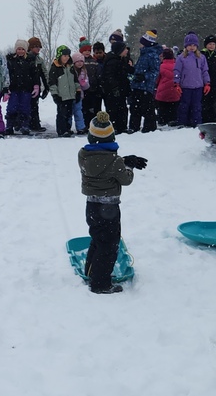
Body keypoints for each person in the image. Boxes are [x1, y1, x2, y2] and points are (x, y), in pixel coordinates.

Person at [78, 111, 147, 294]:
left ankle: (91, 271)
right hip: (108, 209)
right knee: (109, 245)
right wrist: (128, 166)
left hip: (92, 207)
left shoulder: (83, 155)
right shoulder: (114, 161)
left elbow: (101, 164)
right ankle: (100, 284)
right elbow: (126, 179)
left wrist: (122, 160)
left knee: (98, 239)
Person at [173, 32, 210, 128]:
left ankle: (196, 123)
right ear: (186, 46)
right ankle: (182, 122)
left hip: (198, 86)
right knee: (184, 106)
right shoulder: (181, 58)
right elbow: (177, 70)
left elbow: (205, 71)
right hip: (185, 86)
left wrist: (207, 83)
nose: (192, 47)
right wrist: (176, 83)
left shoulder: (201, 57)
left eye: (194, 45)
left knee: (197, 106)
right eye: (190, 45)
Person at [131, 30, 162, 132]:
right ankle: (134, 127)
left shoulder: (152, 55)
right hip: (137, 85)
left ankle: (149, 128)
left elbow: (155, 72)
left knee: (147, 109)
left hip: (146, 87)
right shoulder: (143, 54)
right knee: (135, 108)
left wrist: (144, 77)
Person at [4, 39, 37, 136]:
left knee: (25, 107)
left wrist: (36, 86)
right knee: (12, 107)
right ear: (15, 49)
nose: (20, 51)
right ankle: (10, 125)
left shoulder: (30, 60)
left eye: (23, 49)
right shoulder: (10, 60)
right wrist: (6, 86)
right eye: (19, 49)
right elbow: (7, 74)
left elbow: (34, 74)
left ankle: (24, 125)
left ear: (26, 50)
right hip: (13, 88)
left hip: (26, 88)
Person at [101, 37, 134, 131]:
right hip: (113, 91)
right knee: (114, 109)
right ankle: (114, 127)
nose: (126, 51)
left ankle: (122, 126)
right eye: (124, 49)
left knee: (122, 109)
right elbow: (109, 76)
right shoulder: (112, 61)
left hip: (121, 89)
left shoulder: (122, 60)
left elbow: (127, 71)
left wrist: (131, 69)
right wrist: (114, 88)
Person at [49, 45, 80, 137]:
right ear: (60, 56)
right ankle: (61, 130)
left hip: (70, 95)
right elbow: (52, 83)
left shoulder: (70, 67)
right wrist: (55, 95)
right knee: (62, 113)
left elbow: (75, 80)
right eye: (64, 55)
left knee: (69, 113)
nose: (66, 58)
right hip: (61, 96)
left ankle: (67, 128)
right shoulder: (55, 68)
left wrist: (78, 90)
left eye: (68, 55)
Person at [26, 37, 50, 132]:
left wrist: (47, 87)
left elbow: (44, 74)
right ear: (30, 47)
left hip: (36, 86)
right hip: (25, 86)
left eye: (39, 47)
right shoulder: (25, 58)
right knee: (24, 105)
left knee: (34, 105)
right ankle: (24, 123)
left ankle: (35, 123)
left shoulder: (39, 60)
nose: (38, 49)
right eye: (35, 47)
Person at [154, 47, 180, 126]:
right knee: (173, 107)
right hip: (174, 90)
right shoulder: (177, 66)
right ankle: (173, 119)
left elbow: (157, 79)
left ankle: (162, 120)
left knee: (162, 108)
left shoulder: (161, 66)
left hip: (162, 91)